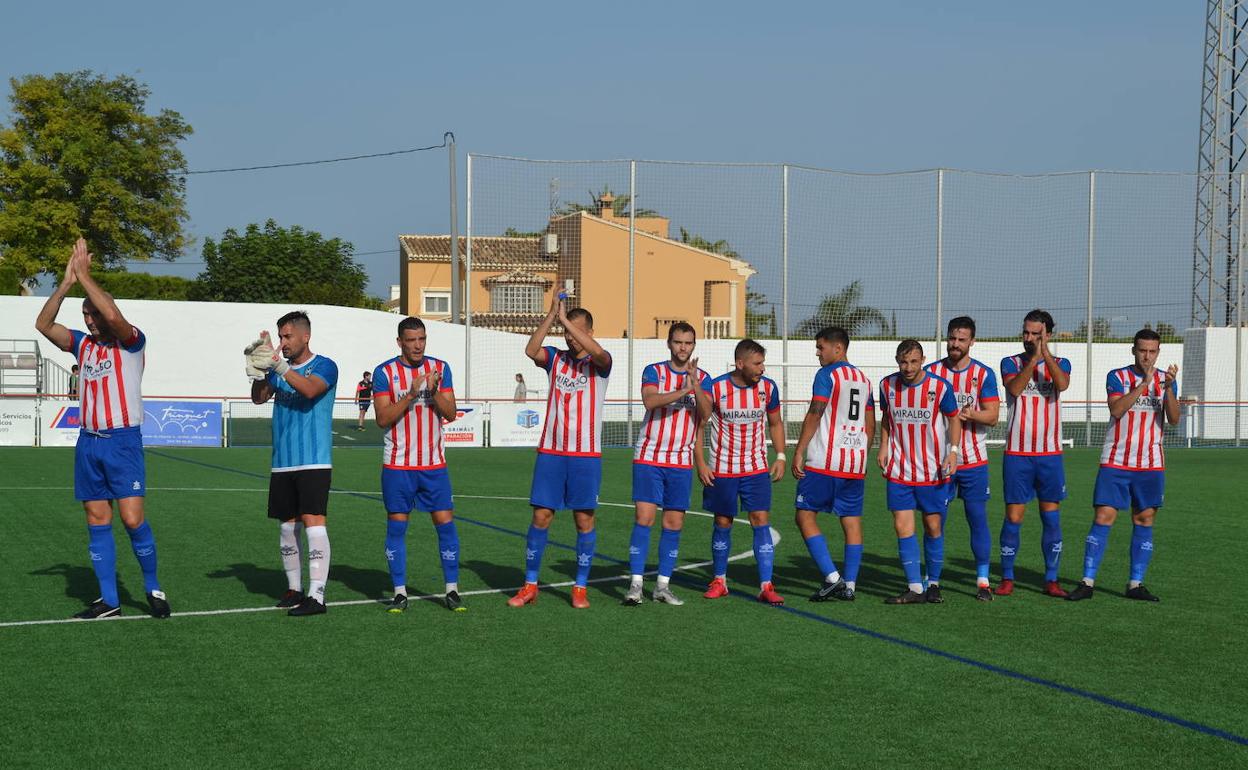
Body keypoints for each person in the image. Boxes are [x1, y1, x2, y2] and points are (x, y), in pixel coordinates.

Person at [34, 238, 169, 619]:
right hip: (89, 444)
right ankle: (109, 601)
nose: (90, 319)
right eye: (85, 314)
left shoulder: (130, 342)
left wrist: (87, 277)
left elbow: (114, 315)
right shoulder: (82, 346)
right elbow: (43, 324)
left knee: (132, 519)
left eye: (94, 313)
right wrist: (65, 284)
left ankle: (153, 588)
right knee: (97, 519)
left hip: (123, 442)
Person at [507, 297, 612, 609]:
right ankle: (530, 584)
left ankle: (579, 587)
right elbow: (530, 350)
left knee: (583, 520)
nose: (569, 336)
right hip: (552, 451)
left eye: (577, 331)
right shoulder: (555, 358)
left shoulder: (601, 364)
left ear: (590, 331)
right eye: (566, 331)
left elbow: (597, 352)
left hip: (585, 455)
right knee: (541, 516)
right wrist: (553, 315)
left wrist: (567, 322)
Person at [1068, 329, 1179, 602]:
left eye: (1152, 351)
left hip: (1150, 463)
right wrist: (1144, 385)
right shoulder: (1117, 377)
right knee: (1104, 516)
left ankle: (1135, 584)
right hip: (1116, 460)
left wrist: (1168, 390)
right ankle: (1087, 582)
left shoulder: (1166, 380)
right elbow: (1116, 410)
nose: (1147, 356)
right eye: (1143, 350)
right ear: (1133, 350)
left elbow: (1174, 419)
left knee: (1144, 520)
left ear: (1158, 352)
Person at [246, 311, 339, 616]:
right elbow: (259, 398)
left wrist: (279, 366)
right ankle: (294, 589)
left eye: (288, 336)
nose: (283, 342)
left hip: (313, 459)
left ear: (305, 336)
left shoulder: (325, 365)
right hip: (282, 461)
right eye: (281, 337)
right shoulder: (278, 367)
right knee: (287, 529)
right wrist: (259, 371)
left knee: (313, 524)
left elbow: (310, 389)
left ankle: (317, 596)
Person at [372, 317, 464, 613]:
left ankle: (452, 590)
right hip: (398, 465)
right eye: (411, 340)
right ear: (399, 342)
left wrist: (434, 391)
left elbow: (450, 414)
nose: (418, 345)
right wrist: (412, 395)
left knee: (445, 524)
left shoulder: (440, 368)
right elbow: (383, 419)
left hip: (434, 465)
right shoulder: (384, 372)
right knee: (397, 527)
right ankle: (400, 592)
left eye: (422, 339)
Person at [624, 322, 712, 606]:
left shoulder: (704, 377)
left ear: (694, 345)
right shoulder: (654, 371)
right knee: (644, 518)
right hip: (649, 456)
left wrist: (695, 385)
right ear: (669, 344)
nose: (683, 348)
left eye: (688, 343)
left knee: (674, 523)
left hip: (681, 460)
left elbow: (706, 413)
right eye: (678, 342)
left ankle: (662, 586)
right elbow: (650, 401)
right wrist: (682, 389)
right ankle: (636, 585)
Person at [695, 339, 787, 605]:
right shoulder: (718, 387)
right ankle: (720, 580)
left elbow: (776, 422)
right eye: (757, 363)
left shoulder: (768, 388)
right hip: (722, 469)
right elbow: (699, 425)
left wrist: (780, 455)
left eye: (762, 363)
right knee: (723, 522)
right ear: (740, 363)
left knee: (760, 520)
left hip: (755, 469)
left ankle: (766, 585)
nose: (762, 368)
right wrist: (701, 462)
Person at [791, 326, 875, 602]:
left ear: (838, 349)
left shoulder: (827, 374)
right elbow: (870, 423)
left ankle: (832, 577)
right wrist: (861, 451)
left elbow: (816, 413)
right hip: (854, 462)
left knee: (804, 515)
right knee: (851, 521)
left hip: (825, 462)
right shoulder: (864, 379)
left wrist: (800, 450)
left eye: (821, 347)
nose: (818, 353)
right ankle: (850, 584)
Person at [877, 339, 962, 605]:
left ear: (922, 360)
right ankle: (915, 587)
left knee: (933, 526)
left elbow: (954, 418)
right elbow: (886, 419)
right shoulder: (886, 385)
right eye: (903, 362)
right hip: (900, 469)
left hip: (932, 470)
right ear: (897, 360)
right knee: (902, 527)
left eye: (913, 361)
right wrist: (883, 447)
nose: (908, 367)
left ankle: (933, 583)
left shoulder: (939, 387)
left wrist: (953, 451)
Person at [995, 309, 1071, 598]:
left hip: (1050, 455)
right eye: (1026, 333)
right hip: (1017, 454)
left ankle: (1051, 579)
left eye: (1035, 334)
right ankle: (1007, 577)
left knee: (1051, 518)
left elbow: (1062, 384)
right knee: (1013, 517)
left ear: (1047, 335)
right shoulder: (1010, 362)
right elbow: (1014, 388)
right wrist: (1034, 361)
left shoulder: (1062, 363)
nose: (1029, 338)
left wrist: (1045, 356)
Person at [924, 317, 1000, 601]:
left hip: (974, 461)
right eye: (952, 338)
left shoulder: (983, 374)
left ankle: (982, 580)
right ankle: (932, 581)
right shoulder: (930, 373)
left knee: (977, 519)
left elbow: (992, 416)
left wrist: (967, 414)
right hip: (938, 462)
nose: (956, 344)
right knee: (934, 522)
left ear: (972, 342)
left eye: (962, 339)